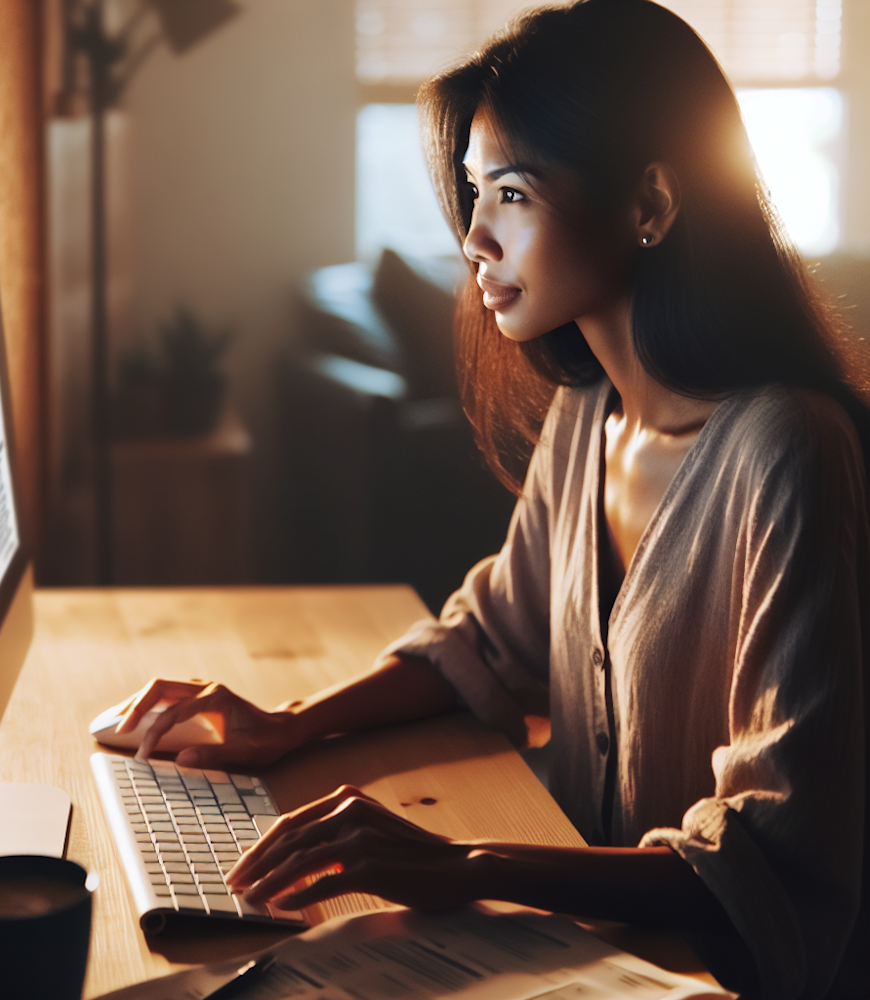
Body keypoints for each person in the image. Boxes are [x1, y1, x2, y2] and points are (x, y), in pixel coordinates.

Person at [116, 2, 867, 996]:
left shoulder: (789, 451)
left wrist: (468, 865)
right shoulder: (590, 412)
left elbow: (769, 856)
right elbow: (492, 637)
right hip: (586, 951)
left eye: (511, 193)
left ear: (649, 202)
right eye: (475, 193)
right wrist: (290, 724)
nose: (473, 237)